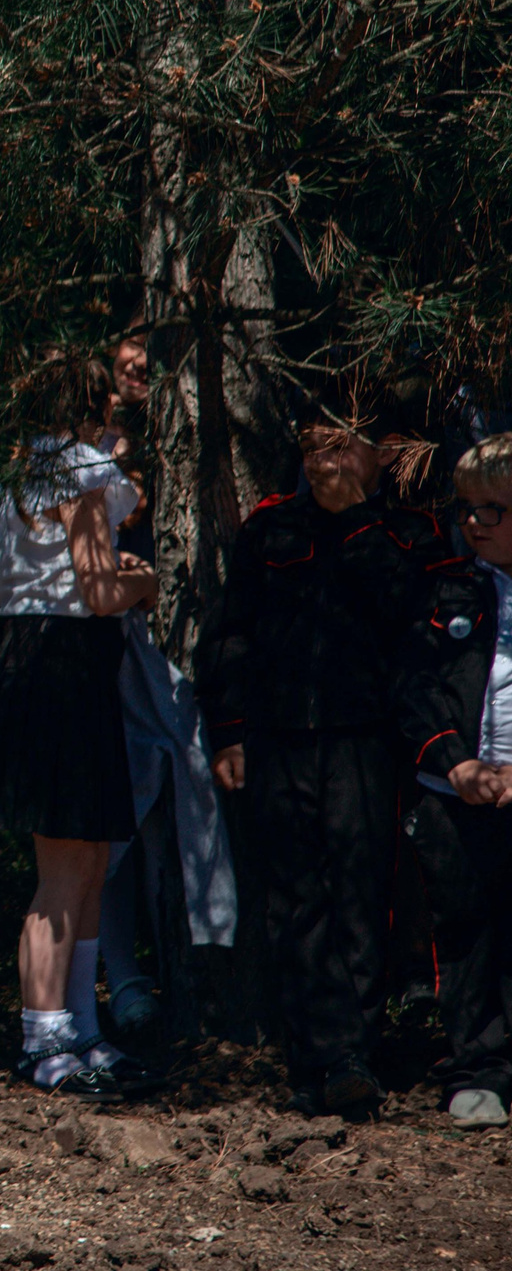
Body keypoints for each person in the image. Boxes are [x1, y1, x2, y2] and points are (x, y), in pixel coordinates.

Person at [197, 398, 440, 1118]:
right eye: (313, 446)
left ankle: (354, 1051)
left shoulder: (405, 531)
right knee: (293, 900)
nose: (325, 460)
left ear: (379, 454)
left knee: (360, 892)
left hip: (365, 740)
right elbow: (230, 633)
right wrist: (230, 730)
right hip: (278, 741)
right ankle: (315, 1057)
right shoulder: (269, 525)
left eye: (342, 446)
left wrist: (359, 517)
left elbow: (407, 619)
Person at [0, 353, 165, 1100]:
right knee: (64, 870)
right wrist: (147, 580)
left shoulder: (20, 478)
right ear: (93, 406)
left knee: (91, 860)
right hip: (60, 667)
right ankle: (46, 1038)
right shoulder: (78, 473)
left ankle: (83, 1028)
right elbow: (101, 590)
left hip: (51, 665)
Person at [95, 337, 238, 1037]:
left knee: (170, 813)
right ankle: (123, 976)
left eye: (149, 369)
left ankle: (200, 972)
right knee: (112, 821)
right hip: (107, 646)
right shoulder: (93, 445)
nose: (137, 381)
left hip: (167, 650)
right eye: (126, 368)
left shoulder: (197, 436)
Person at [394, 431, 512, 1127]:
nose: (473, 521)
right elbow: (414, 687)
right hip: (457, 794)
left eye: (492, 508)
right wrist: (456, 763)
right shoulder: (444, 585)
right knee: (467, 931)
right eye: (465, 507)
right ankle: (478, 1069)